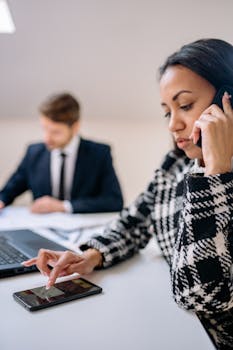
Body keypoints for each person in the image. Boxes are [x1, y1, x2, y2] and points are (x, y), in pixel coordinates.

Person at [23, 39, 233, 349]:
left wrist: (215, 176)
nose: (173, 124)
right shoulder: (175, 164)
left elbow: (201, 297)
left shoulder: (212, 175)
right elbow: (135, 220)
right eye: (167, 112)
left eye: (185, 105)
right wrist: (89, 255)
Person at [0, 93, 123, 213]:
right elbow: (8, 191)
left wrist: (64, 206)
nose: (47, 138)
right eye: (45, 129)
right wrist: (2, 200)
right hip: (42, 227)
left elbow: (114, 201)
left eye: (55, 132)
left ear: (75, 127)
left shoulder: (99, 154)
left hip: (82, 229)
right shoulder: (33, 153)